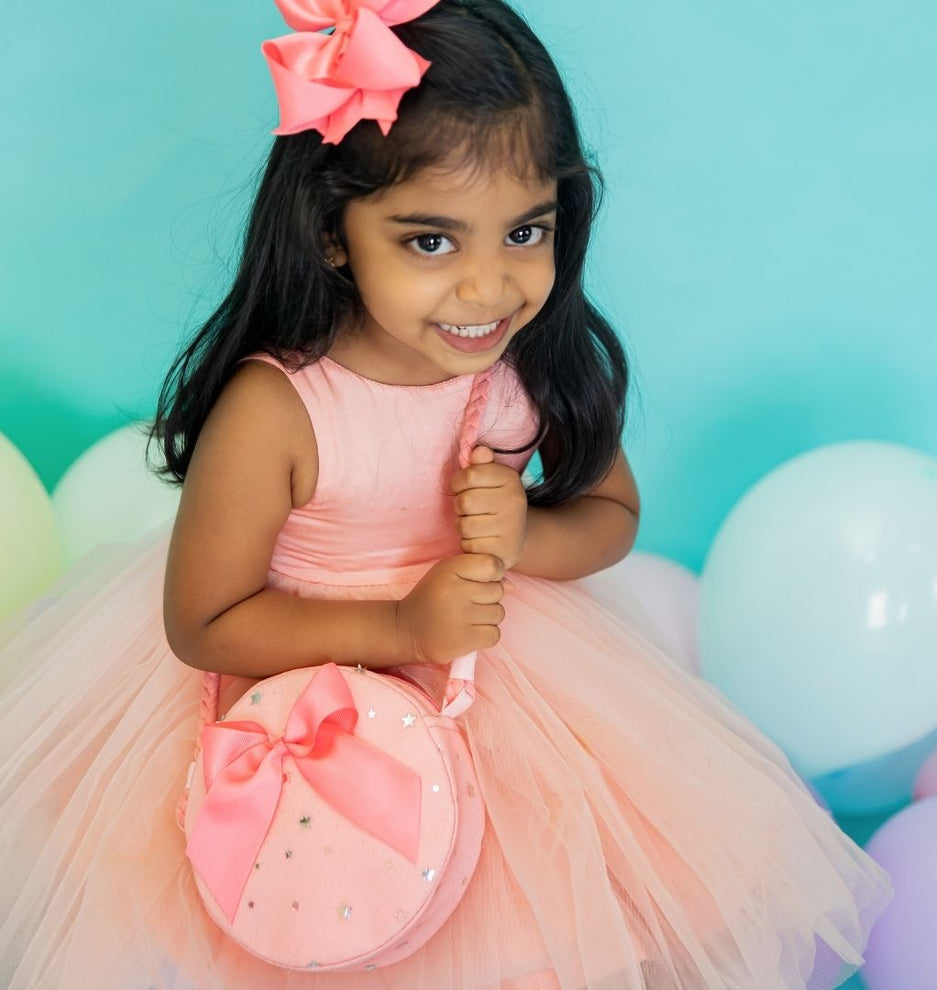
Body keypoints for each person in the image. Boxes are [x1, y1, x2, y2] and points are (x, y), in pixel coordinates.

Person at [0, 1, 891, 987]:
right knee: (315, 926)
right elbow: (204, 622)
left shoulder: (521, 374)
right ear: (334, 233)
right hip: (298, 702)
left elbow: (610, 515)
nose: (488, 289)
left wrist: (522, 540)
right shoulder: (280, 409)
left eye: (525, 231)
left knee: (513, 924)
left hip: (500, 697)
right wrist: (399, 627)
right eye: (431, 242)